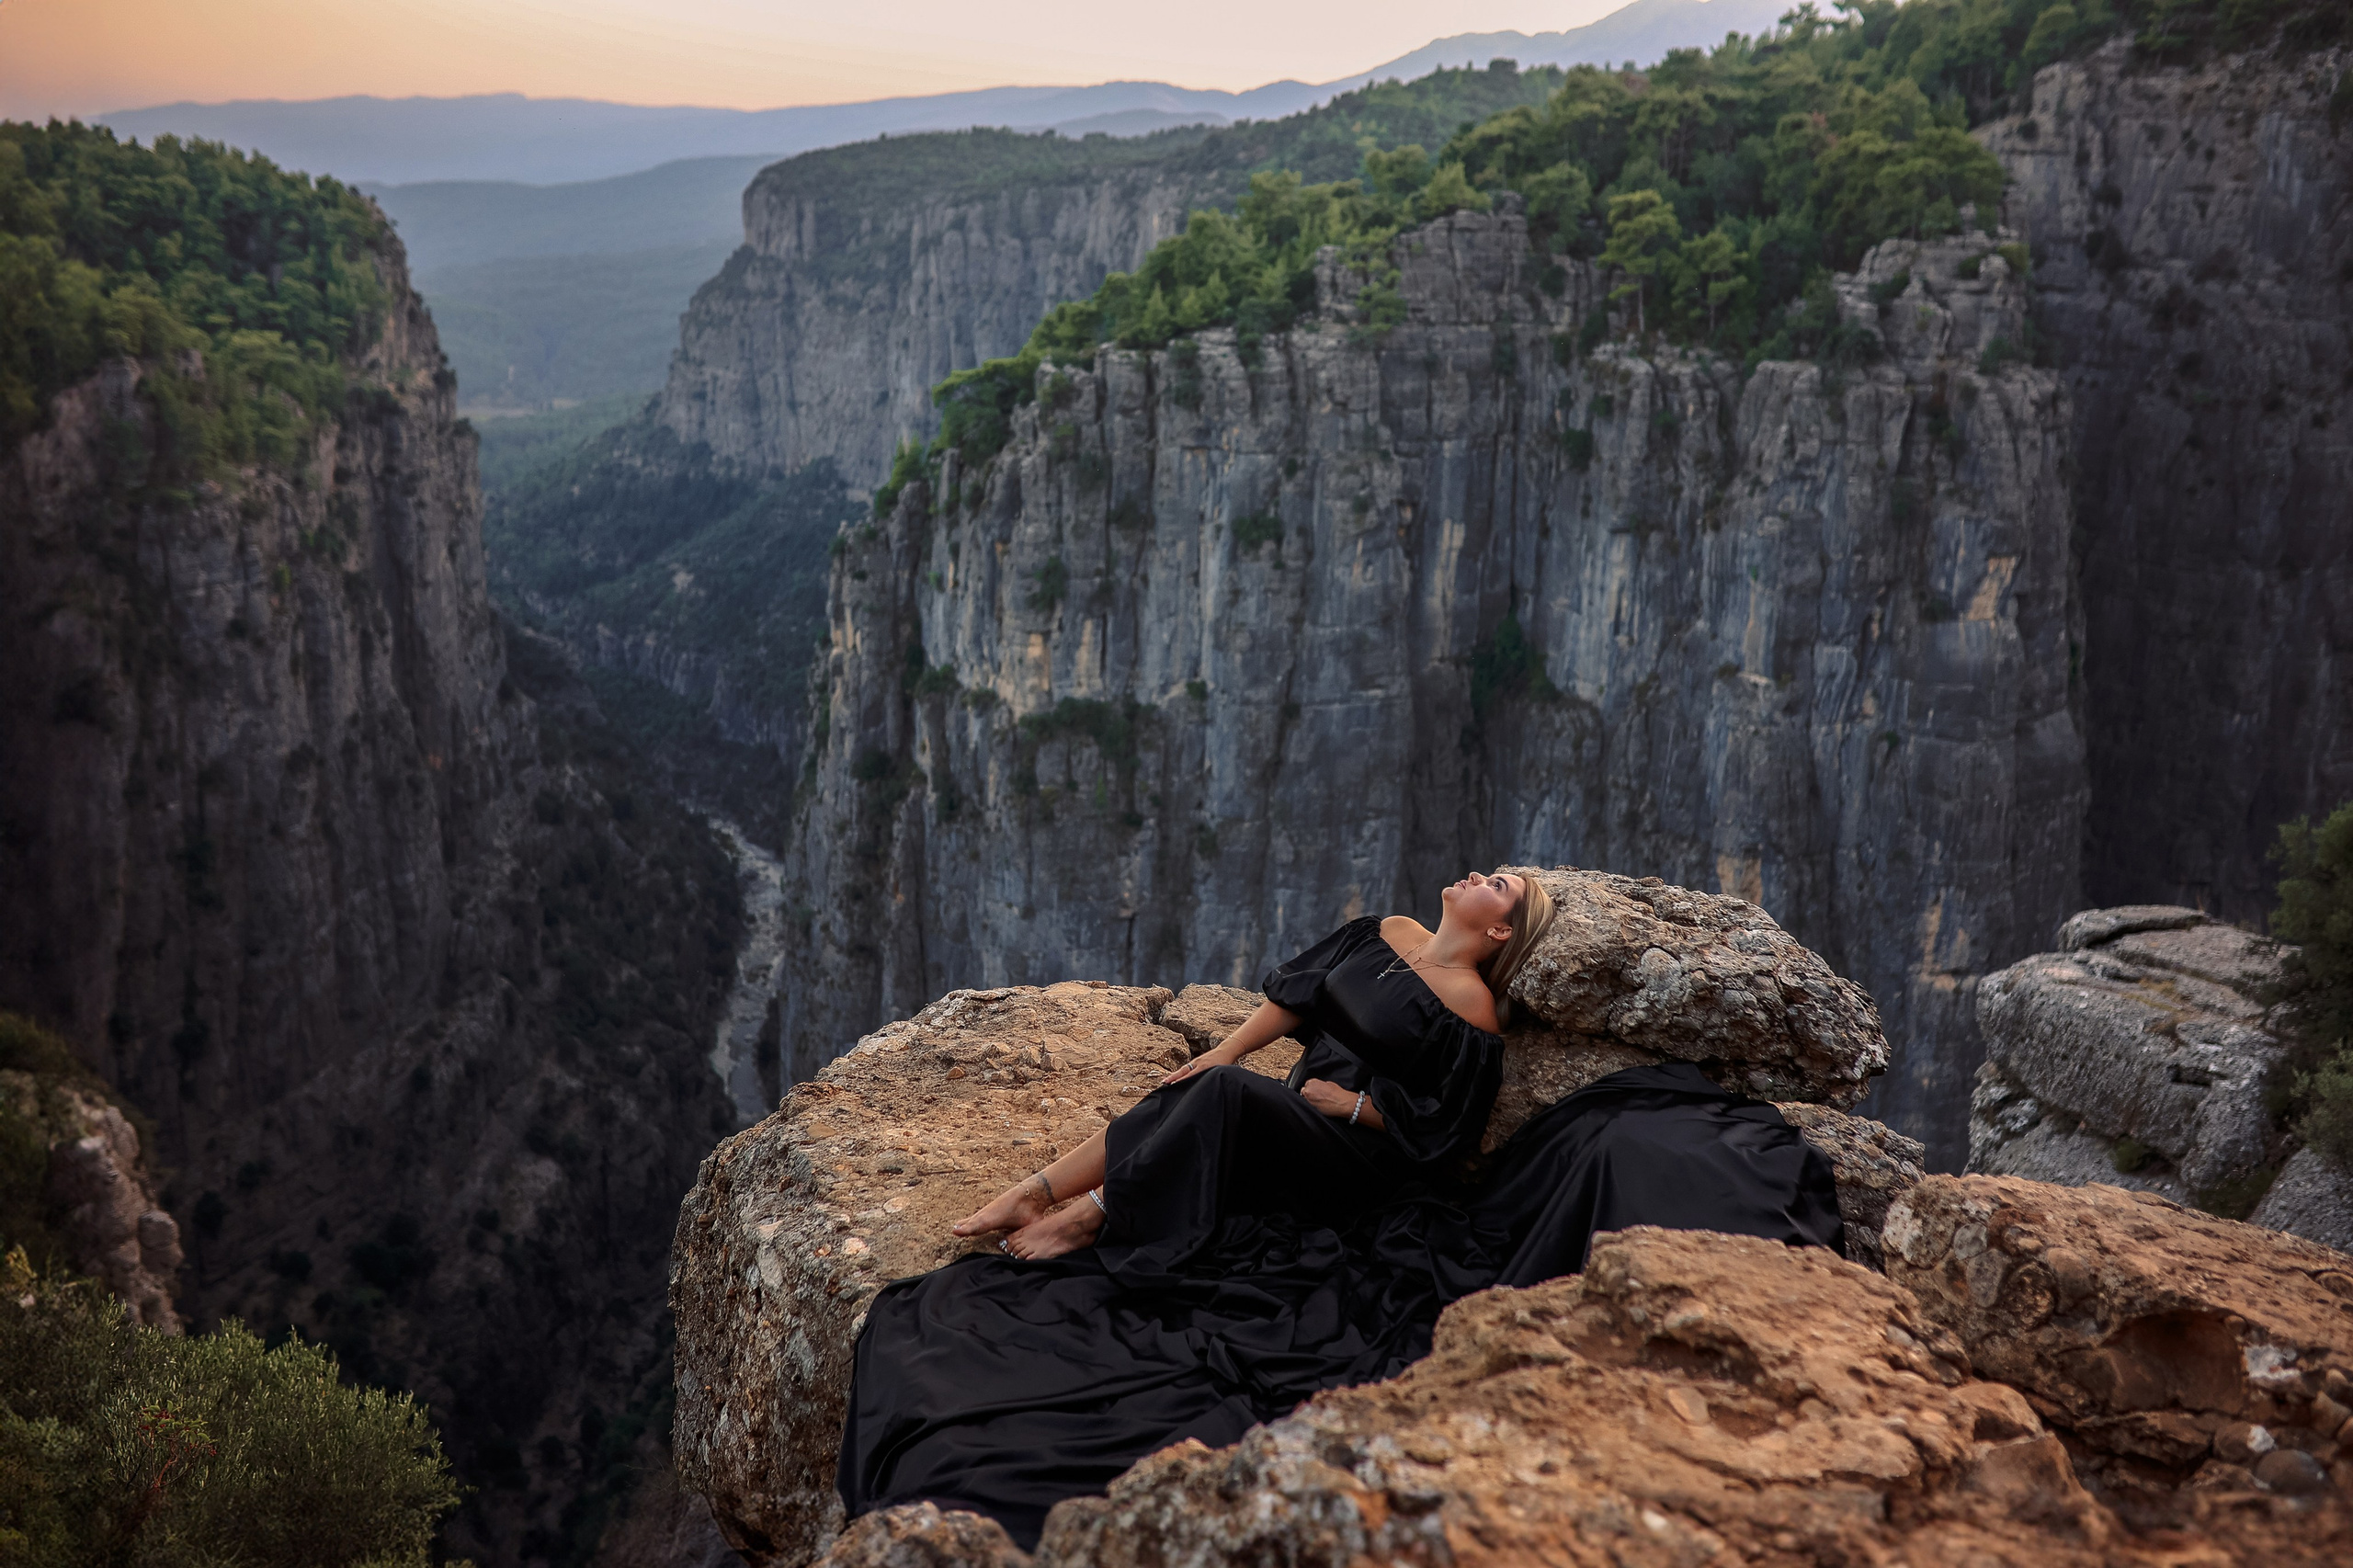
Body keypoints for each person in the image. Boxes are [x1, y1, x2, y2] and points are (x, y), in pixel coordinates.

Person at [839, 869, 1844, 1549]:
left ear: (1498, 930)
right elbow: (1297, 997)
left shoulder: (1475, 1012)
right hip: (1293, 1114)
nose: (1484, 875)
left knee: (1226, 1102)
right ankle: (1042, 1190)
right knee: (1207, 1087)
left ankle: (1084, 1214)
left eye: (1504, 888)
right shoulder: (1383, 932)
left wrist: (1348, 1100)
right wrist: (1225, 1047)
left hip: (1357, 1166)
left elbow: (1437, 1140)